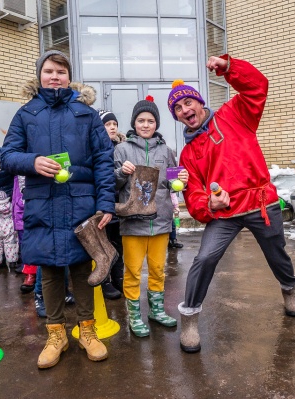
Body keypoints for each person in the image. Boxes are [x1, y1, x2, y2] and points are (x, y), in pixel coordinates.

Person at [168, 55, 295, 353]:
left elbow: (258, 87)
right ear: (177, 116)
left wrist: (230, 68)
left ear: (199, 103)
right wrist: (210, 204)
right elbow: (192, 195)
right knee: (204, 259)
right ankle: (189, 317)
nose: (184, 110)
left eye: (188, 102)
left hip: (260, 203)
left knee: (277, 253)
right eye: (177, 108)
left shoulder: (235, 113)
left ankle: (289, 288)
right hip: (225, 214)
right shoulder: (188, 155)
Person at [0, 50, 115, 368]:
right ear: (39, 75)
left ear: (69, 76)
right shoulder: (26, 114)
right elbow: (7, 156)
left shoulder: (86, 113)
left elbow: (104, 159)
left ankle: (87, 332)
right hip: (43, 203)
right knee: (49, 271)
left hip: (80, 201)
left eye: (61, 71)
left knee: (81, 270)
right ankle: (56, 335)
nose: (54, 76)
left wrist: (105, 202)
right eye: (49, 71)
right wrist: (32, 161)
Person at [114, 97, 187, 337]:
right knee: (133, 271)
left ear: (156, 124)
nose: (146, 125)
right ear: (134, 122)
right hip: (133, 222)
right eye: (141, 120)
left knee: (158, 269)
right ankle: (134, 315)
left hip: (161, 221)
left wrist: (181, 181)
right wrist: (121, 173)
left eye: (151, 121)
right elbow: (111, 184)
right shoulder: (122, 149)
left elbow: (172, 184)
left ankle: (156, 310)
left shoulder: (167, 151)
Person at [98, 109, 125, 300]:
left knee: (118, 245)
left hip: (119, 204)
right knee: (103, 246)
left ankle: (118, 277)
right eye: (108, 124)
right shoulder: (97, 147)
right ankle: (105, 281)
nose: (112, 127)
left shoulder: (123, 147)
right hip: (103, 203)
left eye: (114, 124)